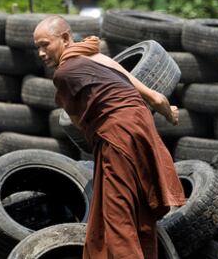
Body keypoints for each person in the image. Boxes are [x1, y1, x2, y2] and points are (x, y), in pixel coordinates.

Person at [33, 15, 186, 259]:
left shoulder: (63, 74)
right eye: (37, 47)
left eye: (45, 44)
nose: (41, 53)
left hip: (117, 137)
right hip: (142, 129)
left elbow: (79, 124)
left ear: (64, 38)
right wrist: (168, 111)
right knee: (141, 212)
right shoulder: (94, 54)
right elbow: (154, 97)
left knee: (117, 218)